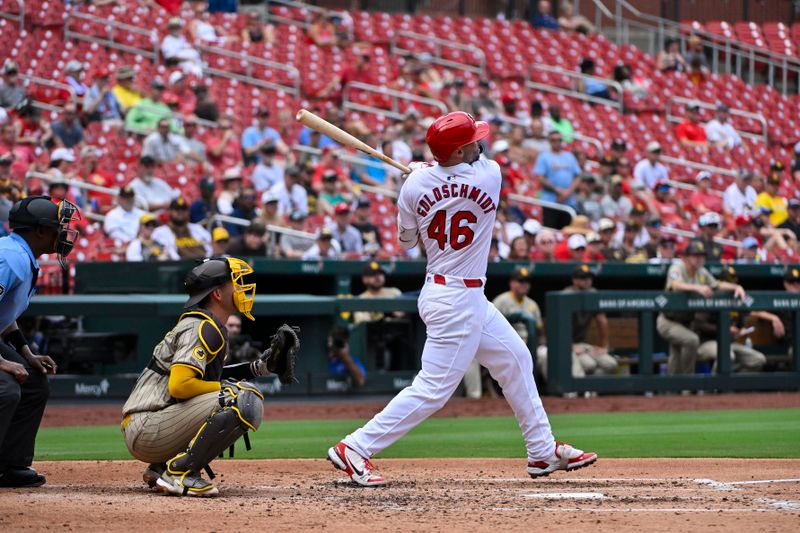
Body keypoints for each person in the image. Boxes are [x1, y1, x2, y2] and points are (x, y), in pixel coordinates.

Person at [326, 111, 597, 487]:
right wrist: (430, 173)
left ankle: (542, 451)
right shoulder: (491, 175)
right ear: (456, 152)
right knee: (434, 389)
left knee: (516, 358)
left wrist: (421, 179)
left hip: (451, 293)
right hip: (456, 300)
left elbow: (406, 241)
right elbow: (463, 170)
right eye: (470, 142)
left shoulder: (415, 185)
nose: (478, 143)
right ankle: (354, 447)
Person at [121, 257, 294, 496]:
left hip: (152, 423)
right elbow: (181, 386)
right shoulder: (200, 327)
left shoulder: (208, 325)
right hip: (148, 427)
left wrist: (260, 368)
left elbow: (204, 379)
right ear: (217, 294)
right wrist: (228, 387)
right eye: (235, 282)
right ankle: (180, 473)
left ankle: (162, 466)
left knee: (234, 391)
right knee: (242, 397)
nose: (241, 288)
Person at [0, 196, 80, 487]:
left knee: (33, 380)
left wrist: (24, 352)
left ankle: (10, 465)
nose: (65, 233)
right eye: (59, 226)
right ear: (40, 231)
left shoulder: (22, 255)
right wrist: (3, 363)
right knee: (6, 387)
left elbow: (5, 315)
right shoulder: (10, 258)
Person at [656, 240, 746, 375]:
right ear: (685, 257)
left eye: (702, 256)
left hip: (685, 322)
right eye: (695, 255)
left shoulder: (702, 271)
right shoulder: (677, 267)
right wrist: (697, 288)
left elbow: (717, 285)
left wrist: (737, 287)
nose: (699, 259)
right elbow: (675, 284)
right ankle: (688, 383)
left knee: (676, 355)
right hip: (668, 321)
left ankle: (672, 390)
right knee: (691, 340)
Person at [692, 266, 766, 372]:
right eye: (727, 282)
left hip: (729, 343)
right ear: (720, 282)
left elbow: (741, 322)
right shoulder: (710, 296)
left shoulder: (736, 298)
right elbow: (698, 324)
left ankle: (736, 385)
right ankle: (715, 387)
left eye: (733, 282)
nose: (731, 286)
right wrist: (724, 329)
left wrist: (739, 331)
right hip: (707, 342)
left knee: (758, 359)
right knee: (727, 356)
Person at [561, 265, 618, 377]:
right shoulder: (566, 295)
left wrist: (604, 346)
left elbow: (602, 320)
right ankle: (582, 388)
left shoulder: (592, 293)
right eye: (583, 278)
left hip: (583, 345)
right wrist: (570, 346)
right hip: (565, 345)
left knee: (611, 364)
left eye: (589, 278)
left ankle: (591, 388)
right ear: (574, 280)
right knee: (589, 364)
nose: (587, 281)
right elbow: (558, 327)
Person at [534, 131, 581, 229]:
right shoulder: (544, 157)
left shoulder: (569, 156)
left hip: (568, 202)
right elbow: (540, 177)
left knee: (566, 232)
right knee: (550, 230)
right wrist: (557, 190)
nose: (556, 142)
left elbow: (578, 176)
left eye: (559, 140)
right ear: (549, 141)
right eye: (553, 140)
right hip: (550, 201)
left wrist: (567, 192)